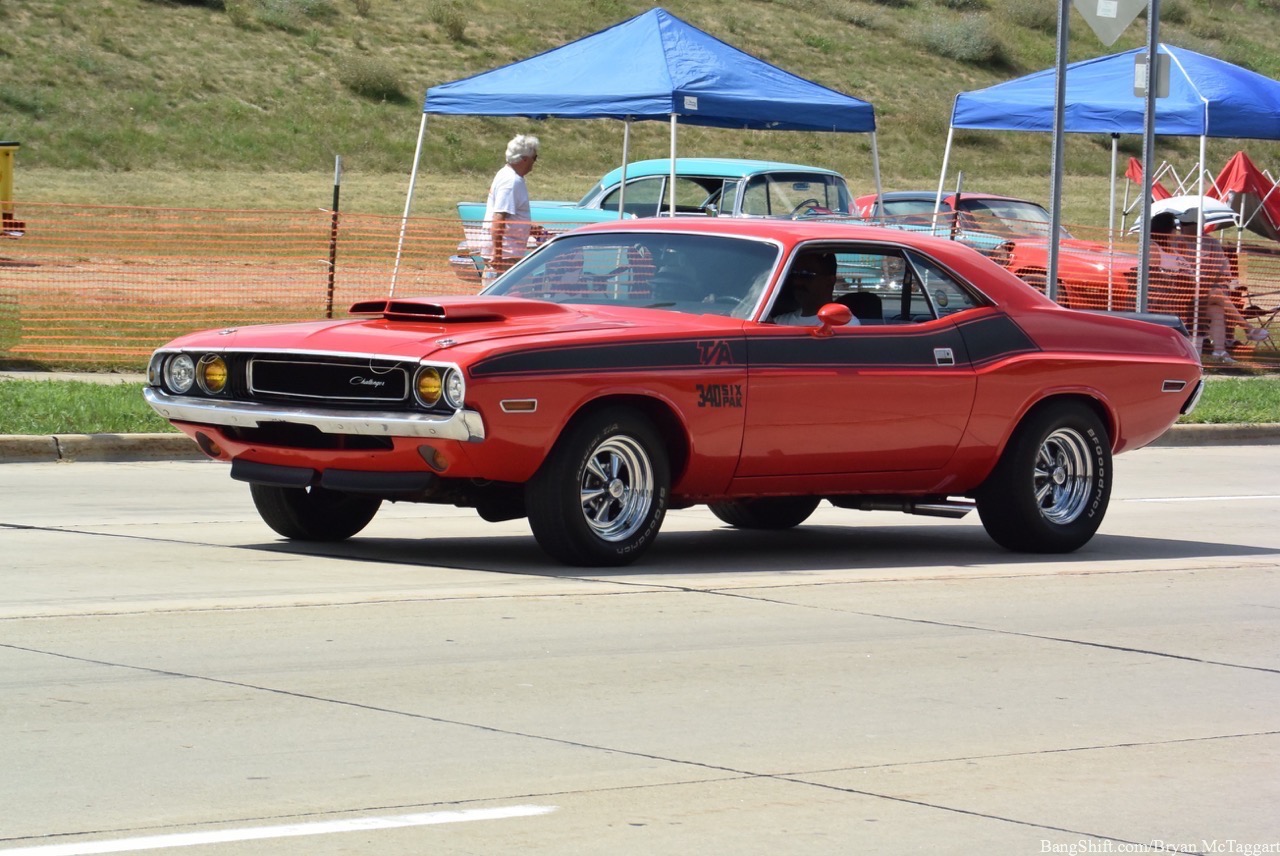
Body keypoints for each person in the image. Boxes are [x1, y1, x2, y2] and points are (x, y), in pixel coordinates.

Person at [1149, 212, 1265, 363]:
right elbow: (1152, 274)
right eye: (1177, 227)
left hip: (1192, 292)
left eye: (1185, 225)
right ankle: (1247, 328)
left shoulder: (1191, 245)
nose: (1180, 230)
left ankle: (1219, 352)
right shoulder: (1154, 247)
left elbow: (1217, 272)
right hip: (1174, 295)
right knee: (1216, 294)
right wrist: (1176, 279)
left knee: (1216, 309)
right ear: (1166, 230)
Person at [480, 134, 540, 278]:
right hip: (505, 256)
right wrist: (498, 253)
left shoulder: (507, 175)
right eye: (535, 158)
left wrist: (529, 228)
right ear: (525, 159)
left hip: (505, 253)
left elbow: (508, 216)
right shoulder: (511, 181)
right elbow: (499, 218)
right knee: (500, 298)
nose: (534, 162)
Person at [772, 251, 859, 327]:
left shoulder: (842, 322)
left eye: (806, 274)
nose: (797, 281)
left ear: (829, 281)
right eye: (794, 273)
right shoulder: (780, 321)